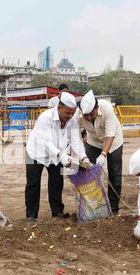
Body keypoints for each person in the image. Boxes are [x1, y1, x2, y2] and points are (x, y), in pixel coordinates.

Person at [25, 92, 92, 222]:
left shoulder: (72, 120)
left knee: (56, 182)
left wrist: (83, 157)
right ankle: (31, 215)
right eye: (67, 113)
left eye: (72, 113)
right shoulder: (45, 117)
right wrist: (61, 155)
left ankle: (57, 212)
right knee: (33, 185)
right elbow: (45, 142)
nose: (70, 116)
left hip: (57, 155)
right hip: (34, 152)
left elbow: (76, 140)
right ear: (59, 107)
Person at [78, 90, 124, 215]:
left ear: (96, 108)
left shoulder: (107, 109)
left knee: (115, 175)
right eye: (85, 115)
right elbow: (75, 136)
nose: (88, 118)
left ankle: (113, 209)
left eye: (91, 114)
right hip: (93, 142)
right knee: (89, 173)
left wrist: (103, 155)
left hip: (113, 142)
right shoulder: (79, 114)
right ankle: (92, 207)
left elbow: (110, 135)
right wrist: (82, 154)